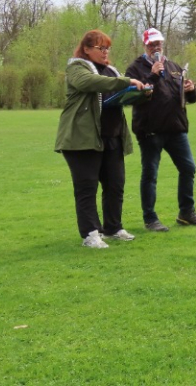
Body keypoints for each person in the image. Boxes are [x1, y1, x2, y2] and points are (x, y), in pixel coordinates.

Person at [55, 30, 146, 248]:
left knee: (115, 185)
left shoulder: (111, 71)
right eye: (101, 48)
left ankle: (113, 228)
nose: (106, 52)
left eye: (107, 48)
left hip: (112, 137)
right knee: (87, 188)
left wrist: (140, 93)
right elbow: (90, 83)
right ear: (86, 49)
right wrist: (126, 82)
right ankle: (90, 234)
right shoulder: (77, 68)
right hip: (82, 139)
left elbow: (118, 94)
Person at [126, 28, 196, 231]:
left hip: (176, 128)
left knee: (188, 168)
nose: (156, 47)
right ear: (145, 45)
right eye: (152, 44)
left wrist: (191, 90)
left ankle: (186, 213)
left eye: (158, 43)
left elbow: (188, 98)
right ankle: (150, 219)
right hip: (150, 130)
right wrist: (153, 75)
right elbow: (134, 98)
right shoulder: (135, 69)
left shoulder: (173, 66)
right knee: (150, 175)